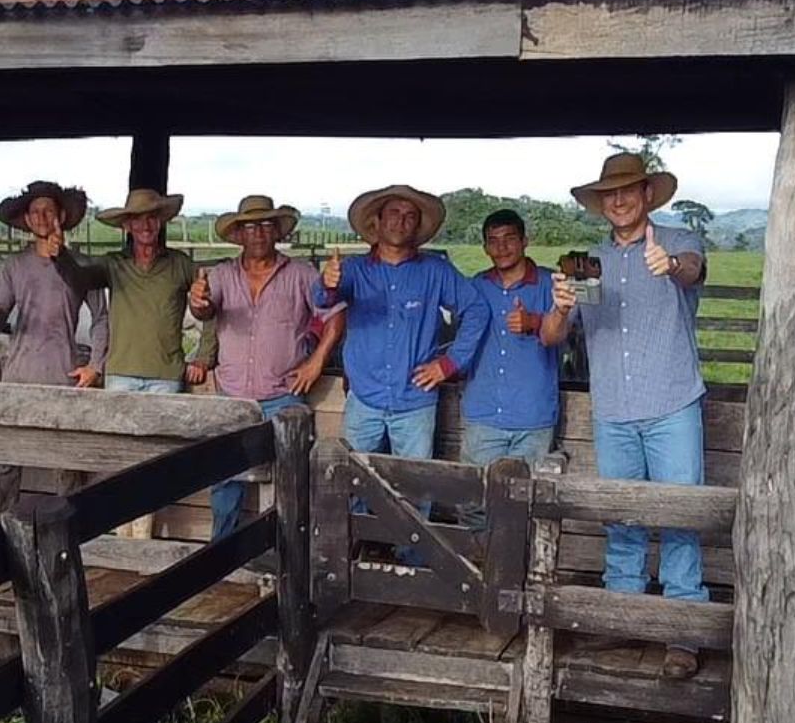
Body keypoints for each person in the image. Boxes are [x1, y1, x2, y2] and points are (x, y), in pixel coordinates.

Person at [552, 151, 710, 680]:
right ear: (601, 205)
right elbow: (553, 336)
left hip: (671, 402)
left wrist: (670, 266)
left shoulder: (677, 243)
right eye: (609, 194)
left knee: (680, 515)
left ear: (647, 196)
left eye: (629, 191)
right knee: (621, 517)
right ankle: (622, 617)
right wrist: (557, 304)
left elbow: (693, 271)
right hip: (613, 407)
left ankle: (682, 631)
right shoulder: (586, 261)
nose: (618, 200)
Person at [188, 194, 344, 539]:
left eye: (265, 226)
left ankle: (291, 554)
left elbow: (333, 315)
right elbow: (205, 311)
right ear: (238, 235)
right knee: (225, 483)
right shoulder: (222, 275)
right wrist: (196, 302)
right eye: (249, 227)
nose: (257, 233)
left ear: (276, 232)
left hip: (283, 397)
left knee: (294, 479)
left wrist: (316, 362)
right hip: (233, 396)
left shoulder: (301, 274)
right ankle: (223, 555)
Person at [311, 184, 490, 464]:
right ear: (378, 222)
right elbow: (322, 299)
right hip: (363, 400)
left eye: (410, 216)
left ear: (417, 226)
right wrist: (327, 282)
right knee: (353, 485)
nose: (401, 221)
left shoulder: (435, 270)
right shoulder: (354, 269)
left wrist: (450, 362)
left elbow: (477, 309)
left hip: (415, 404)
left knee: (413, 491)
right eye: (393, 213)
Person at [0, 180, 107, 506]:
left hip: (64, 377)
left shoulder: (81, 265)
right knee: (8, 464)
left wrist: (95, 366)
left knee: (66, 468)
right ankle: (3, 536)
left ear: (61, 215)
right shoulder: (15, 266)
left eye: (49, 209)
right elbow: (0, 316)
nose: (42, 216)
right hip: (18, 377)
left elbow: (102, 317)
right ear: (28, 220)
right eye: (35, 211)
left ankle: (71, 539)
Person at [454, 208, 569, 527]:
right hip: (482, 413)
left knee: (529, 507)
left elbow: (564, 334)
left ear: (525, 242)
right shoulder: (475, 286)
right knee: (473, 503)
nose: (501, 248)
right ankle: (477, 574)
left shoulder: (551, 285)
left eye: (509, 239)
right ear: (484, 248)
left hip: (532, 416)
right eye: (493, 241)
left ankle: (519, 577)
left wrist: (535, 321)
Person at [55, 187, 198, 394]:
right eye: (138, 220)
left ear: (160, 221)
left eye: (151, 218)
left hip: (165, 376)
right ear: (127, 226)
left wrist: (203, 356)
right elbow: (81, 279)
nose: (145, 226)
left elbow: (211, 301)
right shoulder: (114, 264)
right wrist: (61, 256)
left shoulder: (180, 264)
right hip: (120, 374)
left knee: (161, 428)